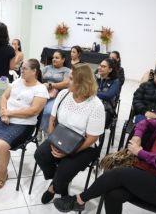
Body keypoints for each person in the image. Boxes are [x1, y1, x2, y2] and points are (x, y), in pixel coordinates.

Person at [53, 94, 156, 214]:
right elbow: (144, 122)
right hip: (150, 173)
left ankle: (79, 200)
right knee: (113, 194)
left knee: (118, 174)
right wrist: (137, 136)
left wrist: (140, 152)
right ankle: (79, 202)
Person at [34, 63, 106, 204]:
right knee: (40, 155)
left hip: (85, 144)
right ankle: (58, 181)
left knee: (65, 168)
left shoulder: (96, 105)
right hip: (61, 136)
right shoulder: (63, 94)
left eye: (72, 78)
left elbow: (92, 138)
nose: (67, 80)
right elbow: (52, 120)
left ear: (82, 83)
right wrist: (53, 140)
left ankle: (53, 187)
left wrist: (69, 152)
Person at [0, 59, 49, 189]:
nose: (21, 70)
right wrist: (4, 113)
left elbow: (32, 111)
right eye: (21, 68)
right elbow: (4, 97)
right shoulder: (17, 82)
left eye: (25, 68)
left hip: (24, 124)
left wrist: (9, 113)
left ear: (35, 71)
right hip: (5, 117)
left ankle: (2, 172)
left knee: (1, 145)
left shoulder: (40, 89)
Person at [40, 50, 70, 135]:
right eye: (53, 57)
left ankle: (45, 131)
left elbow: (65, 84)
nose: (54, 59)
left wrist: (50, 85)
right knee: (37, 109)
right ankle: (39, 130)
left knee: (48, 111)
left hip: (58, 95)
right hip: (43, 92)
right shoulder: (47, 68)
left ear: (63, 59)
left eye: (57, 58)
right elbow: (37, 77)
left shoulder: (66, 70)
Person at [96, 58, 120, 127]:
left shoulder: (115, 81)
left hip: (106, 109)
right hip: (92, 105)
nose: (100, 68)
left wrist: (93, 93)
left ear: (110, 70)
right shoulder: (95, 77)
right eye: (100, 65)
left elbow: (108, 95)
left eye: (103, 66)